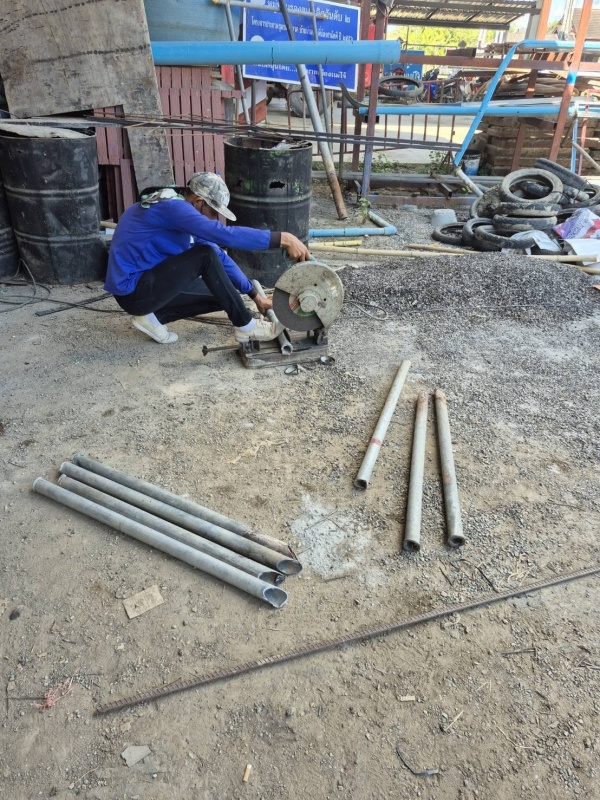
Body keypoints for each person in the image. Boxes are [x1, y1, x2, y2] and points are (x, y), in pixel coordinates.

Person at [104, 172, 310, 344]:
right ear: (198, 201)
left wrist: (254, 295)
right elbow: (223, 236)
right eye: (212, 211)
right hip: (132, 291)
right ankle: (247, 327)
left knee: (224, 293)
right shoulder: (175, 209)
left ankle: (152, 317)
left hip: (146, 285)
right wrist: (282, 239)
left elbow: (219, 254)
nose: (213, 217)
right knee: (204, 256)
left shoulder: (177, 205)